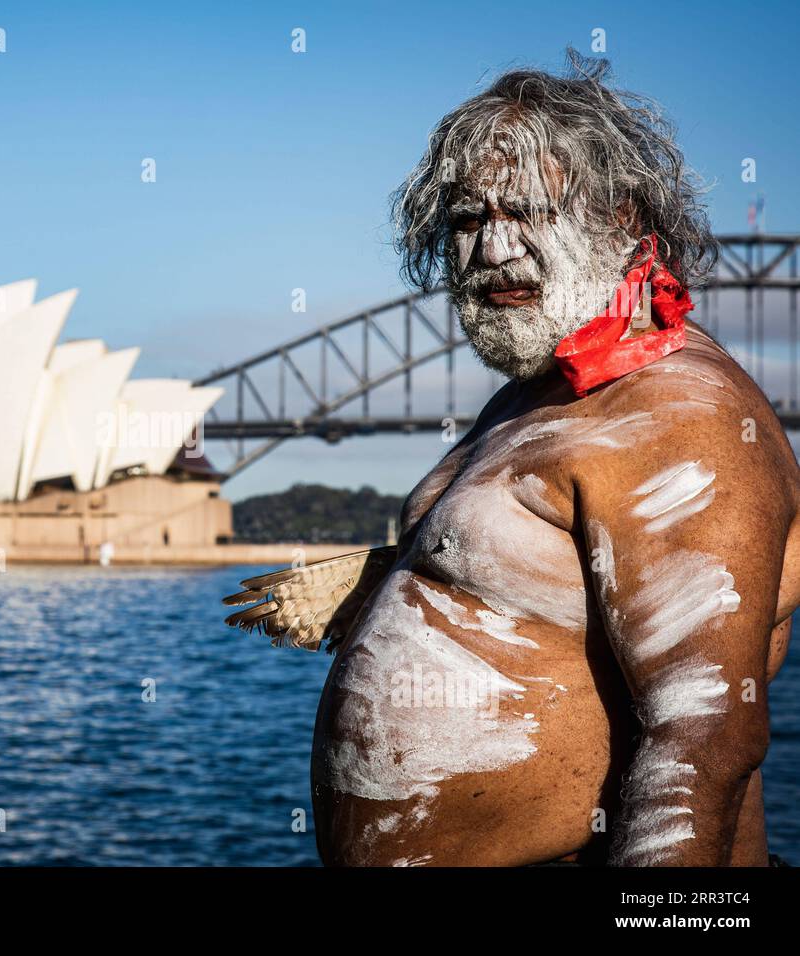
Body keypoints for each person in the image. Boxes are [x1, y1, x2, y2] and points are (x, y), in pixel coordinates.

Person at [226, 52, 798, 866]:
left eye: (528, 213)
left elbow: (703, 737)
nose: (493, 249)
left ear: (619, 220)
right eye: (466, 221)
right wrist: (391, 576)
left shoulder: (679, 421)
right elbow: (555, 576)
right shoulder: (537, 395)